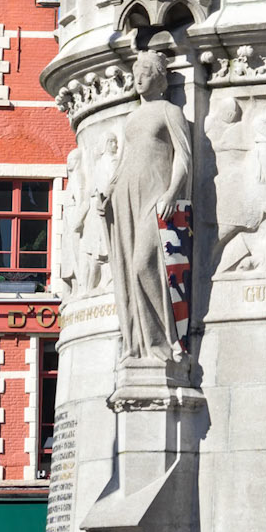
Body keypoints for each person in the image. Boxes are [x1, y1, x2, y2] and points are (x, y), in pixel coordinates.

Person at [103, 52, 192, 363]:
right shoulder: (131, 118)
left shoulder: (169, 111)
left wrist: (171, 192)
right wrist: (110, 190)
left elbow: (183, 156)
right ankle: (142, 341)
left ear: (160, 77)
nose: (138, 78)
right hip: (127, 196)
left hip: (155, 198)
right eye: (135, 72)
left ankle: (167, 340)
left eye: (145, 72)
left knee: (145, 264)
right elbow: (126, 159)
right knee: (131, 267)